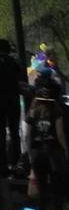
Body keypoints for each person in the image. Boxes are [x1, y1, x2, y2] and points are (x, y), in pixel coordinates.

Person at [24, 75, 68, 210]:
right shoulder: (55, 108)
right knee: (56, 180)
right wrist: (65, 149)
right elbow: (60, 133)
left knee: (41, 182)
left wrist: (29, 152)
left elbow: (27, 134)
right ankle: (58, 209)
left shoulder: (32, 110)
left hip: (37, 151)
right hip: (53, 149)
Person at [0, 39, 22, 176]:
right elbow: (19, 81)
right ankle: (16, 163)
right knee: (15, 133)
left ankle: (2, 166)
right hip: (13, 101)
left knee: (1, 134)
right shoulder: (14, 62)